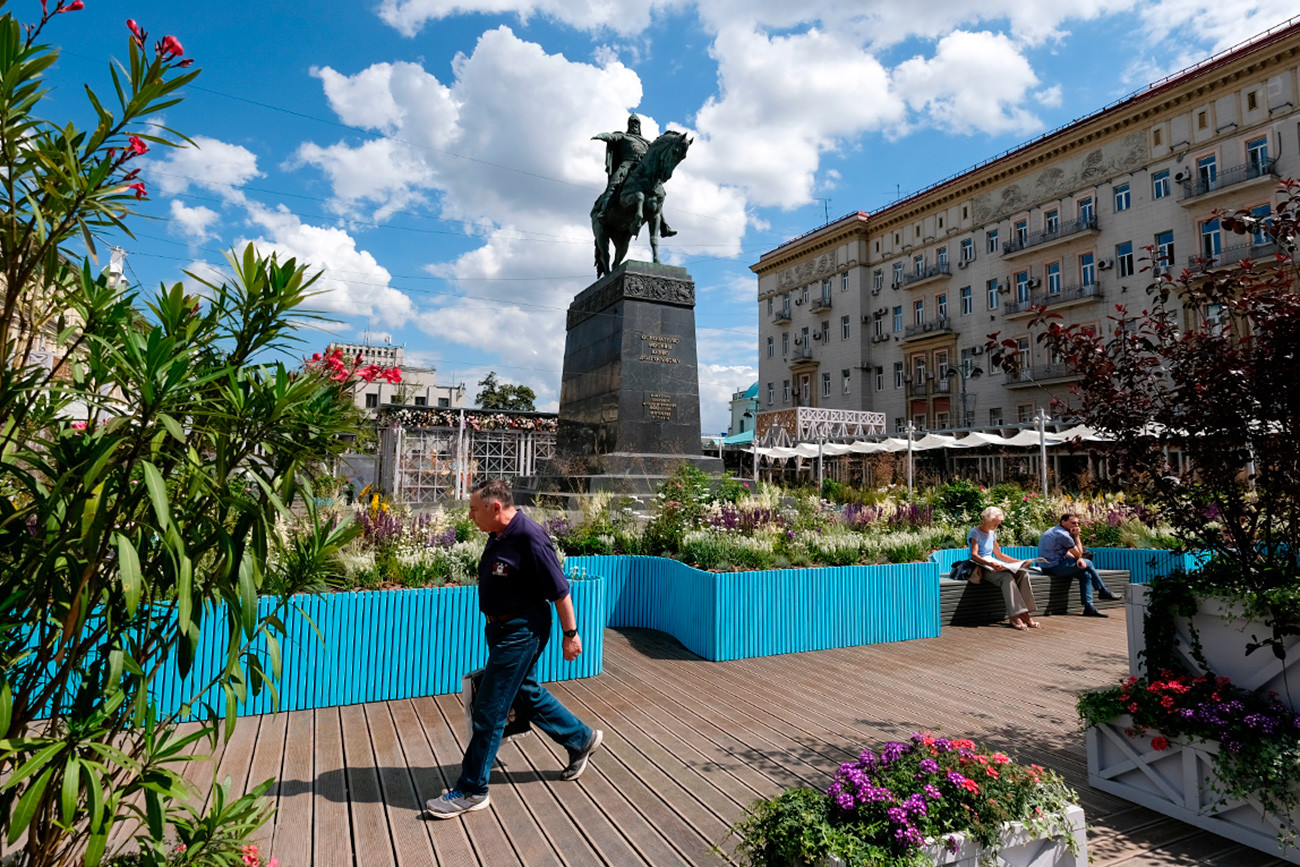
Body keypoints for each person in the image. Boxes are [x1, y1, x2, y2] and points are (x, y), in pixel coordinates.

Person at [425, 479, 603, 819]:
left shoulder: (530, 537)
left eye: (474, 510)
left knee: (490, 710)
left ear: (495, 507)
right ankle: (581, 739)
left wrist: (572, 634)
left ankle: (472, 789)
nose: (470, 517)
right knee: (525, 692)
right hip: (502, 628)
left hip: (522, 630)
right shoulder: (498, 534)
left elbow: (560, 592)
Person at [591, 114, 675, 236]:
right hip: (626, 165)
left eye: (636, 123)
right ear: (628, 124)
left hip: (643, 169)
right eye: (632, 122)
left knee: (657, 191)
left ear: (640, 126)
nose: (634, 125)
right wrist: (603, 136)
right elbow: (612, 137)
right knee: (614, 185)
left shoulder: (646, 142)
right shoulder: (624, 136)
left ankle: (663, 225)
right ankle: (603, 211)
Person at [967, 506, 1040, 630]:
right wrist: (991, 564)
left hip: (993, 564)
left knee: (1023, 574)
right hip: (982, 567)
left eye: (998, 524)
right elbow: (974, 555)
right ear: (986, 519)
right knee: (1007, 577)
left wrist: (1020, 562)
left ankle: (1025, 613)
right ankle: (1015, 616)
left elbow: (999, 555)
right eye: (994, 523)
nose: (996, 526)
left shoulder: (992, 534)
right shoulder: (975, 532)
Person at [1038, 513, 1118, 618]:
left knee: (1086, 575)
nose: (1076, 526)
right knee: (1088, 563)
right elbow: (1079, 553)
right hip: (1054, 568)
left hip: (1047, 567)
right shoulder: (1064, 535)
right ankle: (1102, 590)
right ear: (1063, 522)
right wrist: (1076, 536)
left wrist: (1079, 559)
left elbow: (1066, 552)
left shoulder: (1054, 530)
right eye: (1073, 523)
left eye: (1077, 523)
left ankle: (1089, 607)